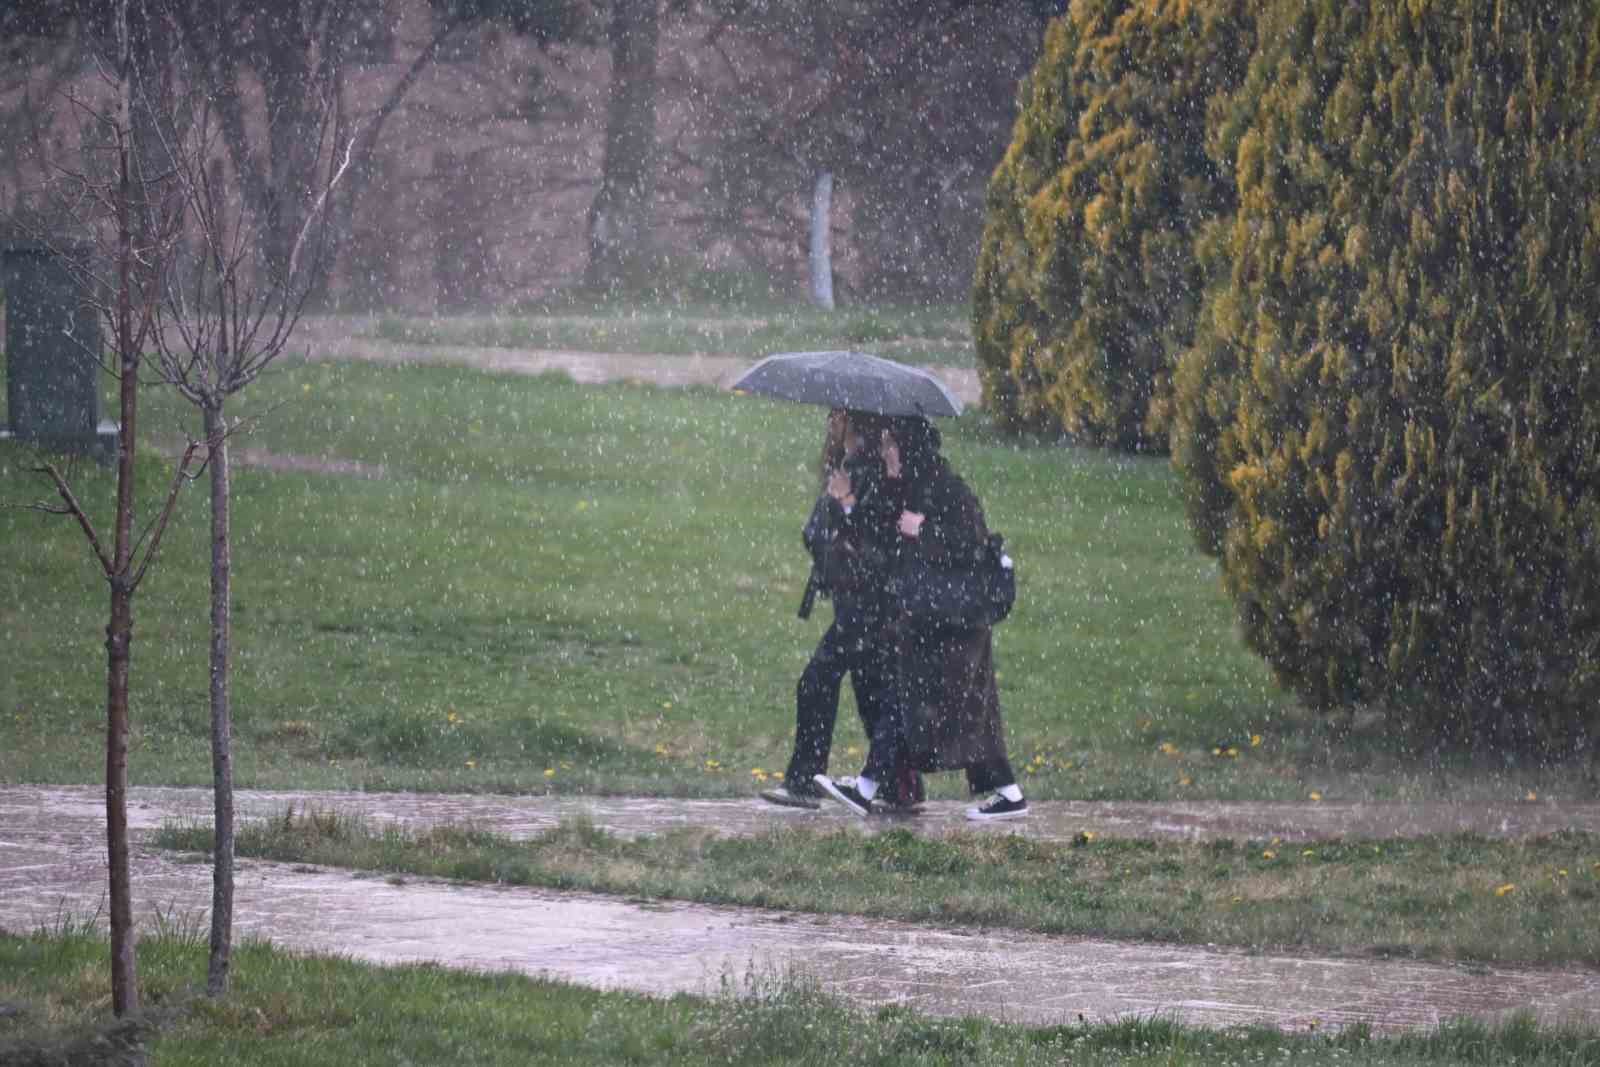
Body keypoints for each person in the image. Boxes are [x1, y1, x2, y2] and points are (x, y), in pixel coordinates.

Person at [813, 415, 1028, 821]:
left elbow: (972, 544)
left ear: (908, 448)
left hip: (956, 625)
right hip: (934, 620)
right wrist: (853, 501)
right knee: (930, 706)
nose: (884, 451)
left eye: (891, 444)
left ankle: (868, 788)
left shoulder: (947, 489)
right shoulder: (913, 485)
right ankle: (867, 788)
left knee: (954, 709)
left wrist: (924, 527)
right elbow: (885, 537)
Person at [760, 409, 924, 811]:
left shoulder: (873, 472)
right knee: (873, 694)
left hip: (869, 608)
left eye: (839, 413)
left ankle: (804, 781)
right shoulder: (853, 464)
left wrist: (846, 503)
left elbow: (878, 545)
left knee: (817, 682)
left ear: (853, 419)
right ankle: (901, 786)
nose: (831, 420)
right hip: (859, 605)